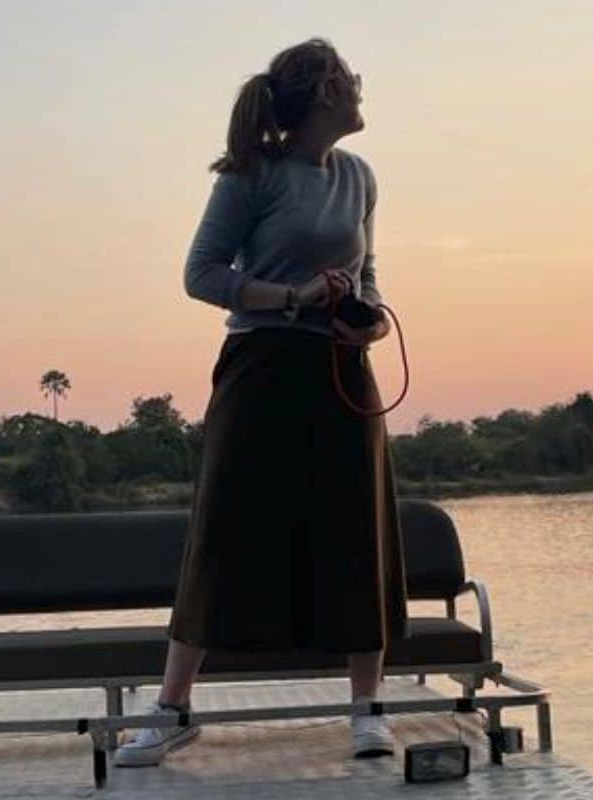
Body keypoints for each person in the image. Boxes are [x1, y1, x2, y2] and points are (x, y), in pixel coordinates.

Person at [114, 38, 408, 768]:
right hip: (262, 364)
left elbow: (367, 273)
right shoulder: (253, 177)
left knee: (357, 527)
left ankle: (368, 709)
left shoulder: (361, 178)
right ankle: (174, 708)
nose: (361, 88)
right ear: (321, 96)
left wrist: (364, 312)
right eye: (349, 80)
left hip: (341, 367)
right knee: (223, 525)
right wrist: (292, 297)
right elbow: (200, 274)